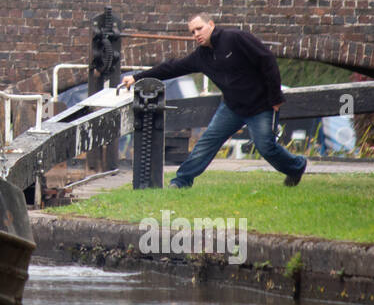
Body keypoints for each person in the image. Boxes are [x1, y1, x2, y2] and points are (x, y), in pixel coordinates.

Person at [120, 12, 307, 189]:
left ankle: (296, 167)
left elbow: (267, 60)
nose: (196, 34)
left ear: (211, 24)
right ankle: (181, 181)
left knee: (266, 147)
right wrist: (138, 77)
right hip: (232, 108)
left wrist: (275, 97)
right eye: (192, 32)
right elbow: (171, 68)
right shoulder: (201, 57)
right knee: (207, 142)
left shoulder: (235, 38)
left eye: (199, 28)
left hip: (261, 106)